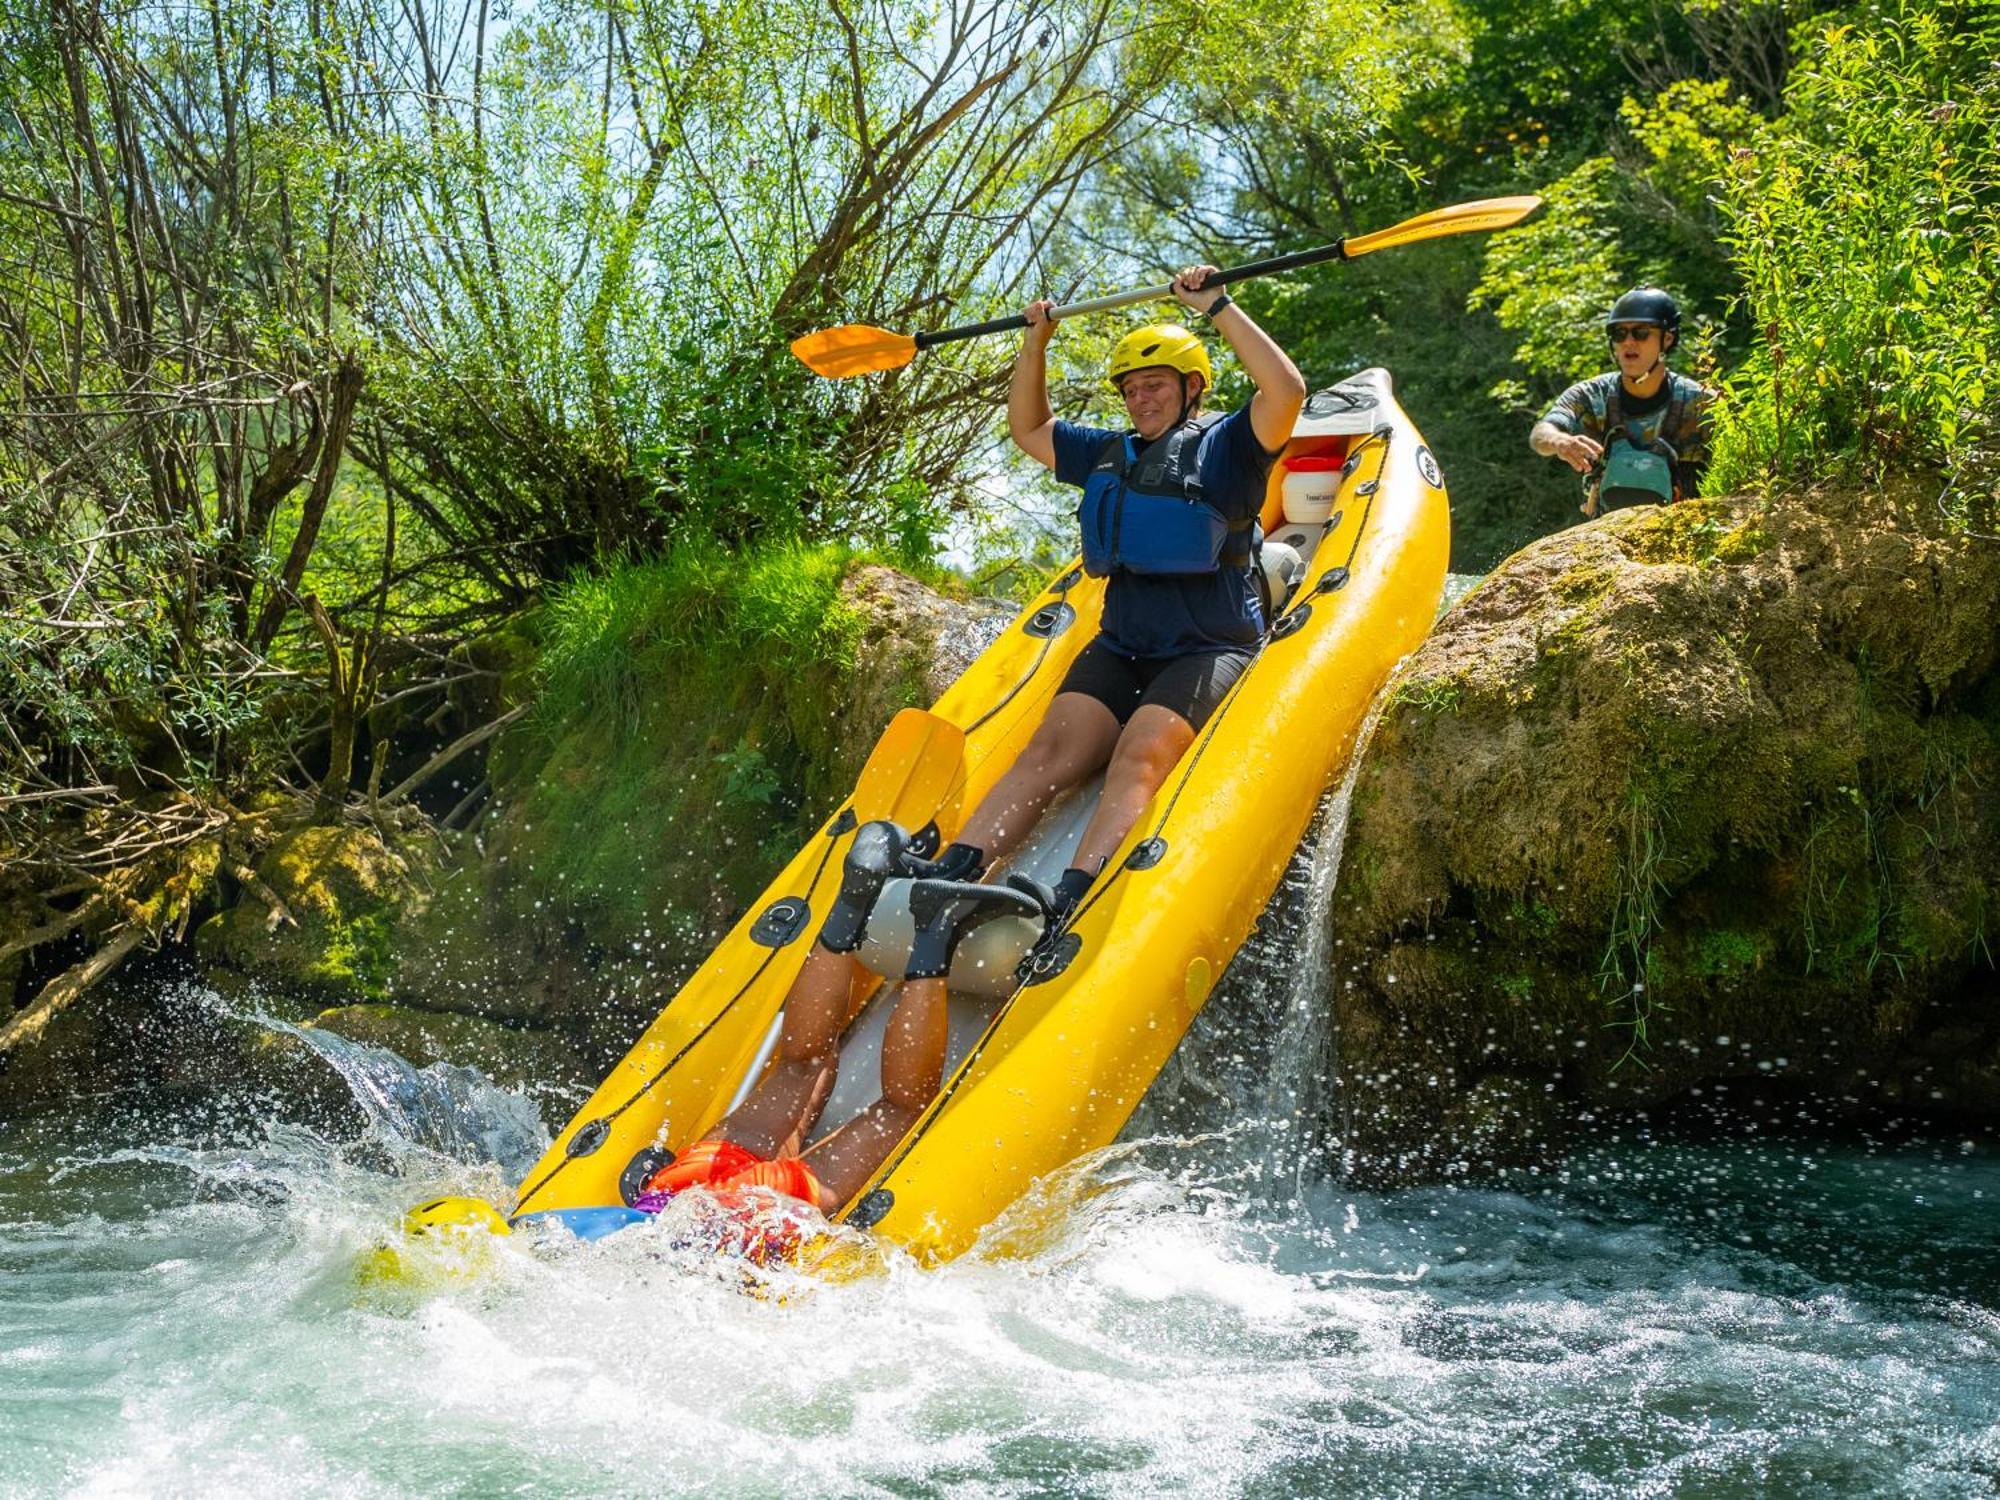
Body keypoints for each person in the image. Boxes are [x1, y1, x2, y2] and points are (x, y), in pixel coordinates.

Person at [640, 267, 1307, 1217]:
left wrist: (1218, 309)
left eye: (1158, 383)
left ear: (1192, 388)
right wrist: (1033, 339)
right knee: (1051, 750)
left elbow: (1286, 397)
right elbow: (1028, 432)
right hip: (1124, 640)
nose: (1143, 396)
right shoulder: (1109, 453)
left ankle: (1073, 893)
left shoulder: (1230, 454)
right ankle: (956, 866)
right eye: (1131, 385)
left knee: (1140, 755)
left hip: (1207, 643)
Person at [1530, 288, 1714, 517]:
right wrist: (1559, 441)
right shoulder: (1592, 394)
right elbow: (1541, 433)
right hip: (1606, 537)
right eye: (1619, 334)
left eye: (1641, 333)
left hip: (1688, 534)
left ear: (1667, 339)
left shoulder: (1700, 402)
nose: (1628, 342)